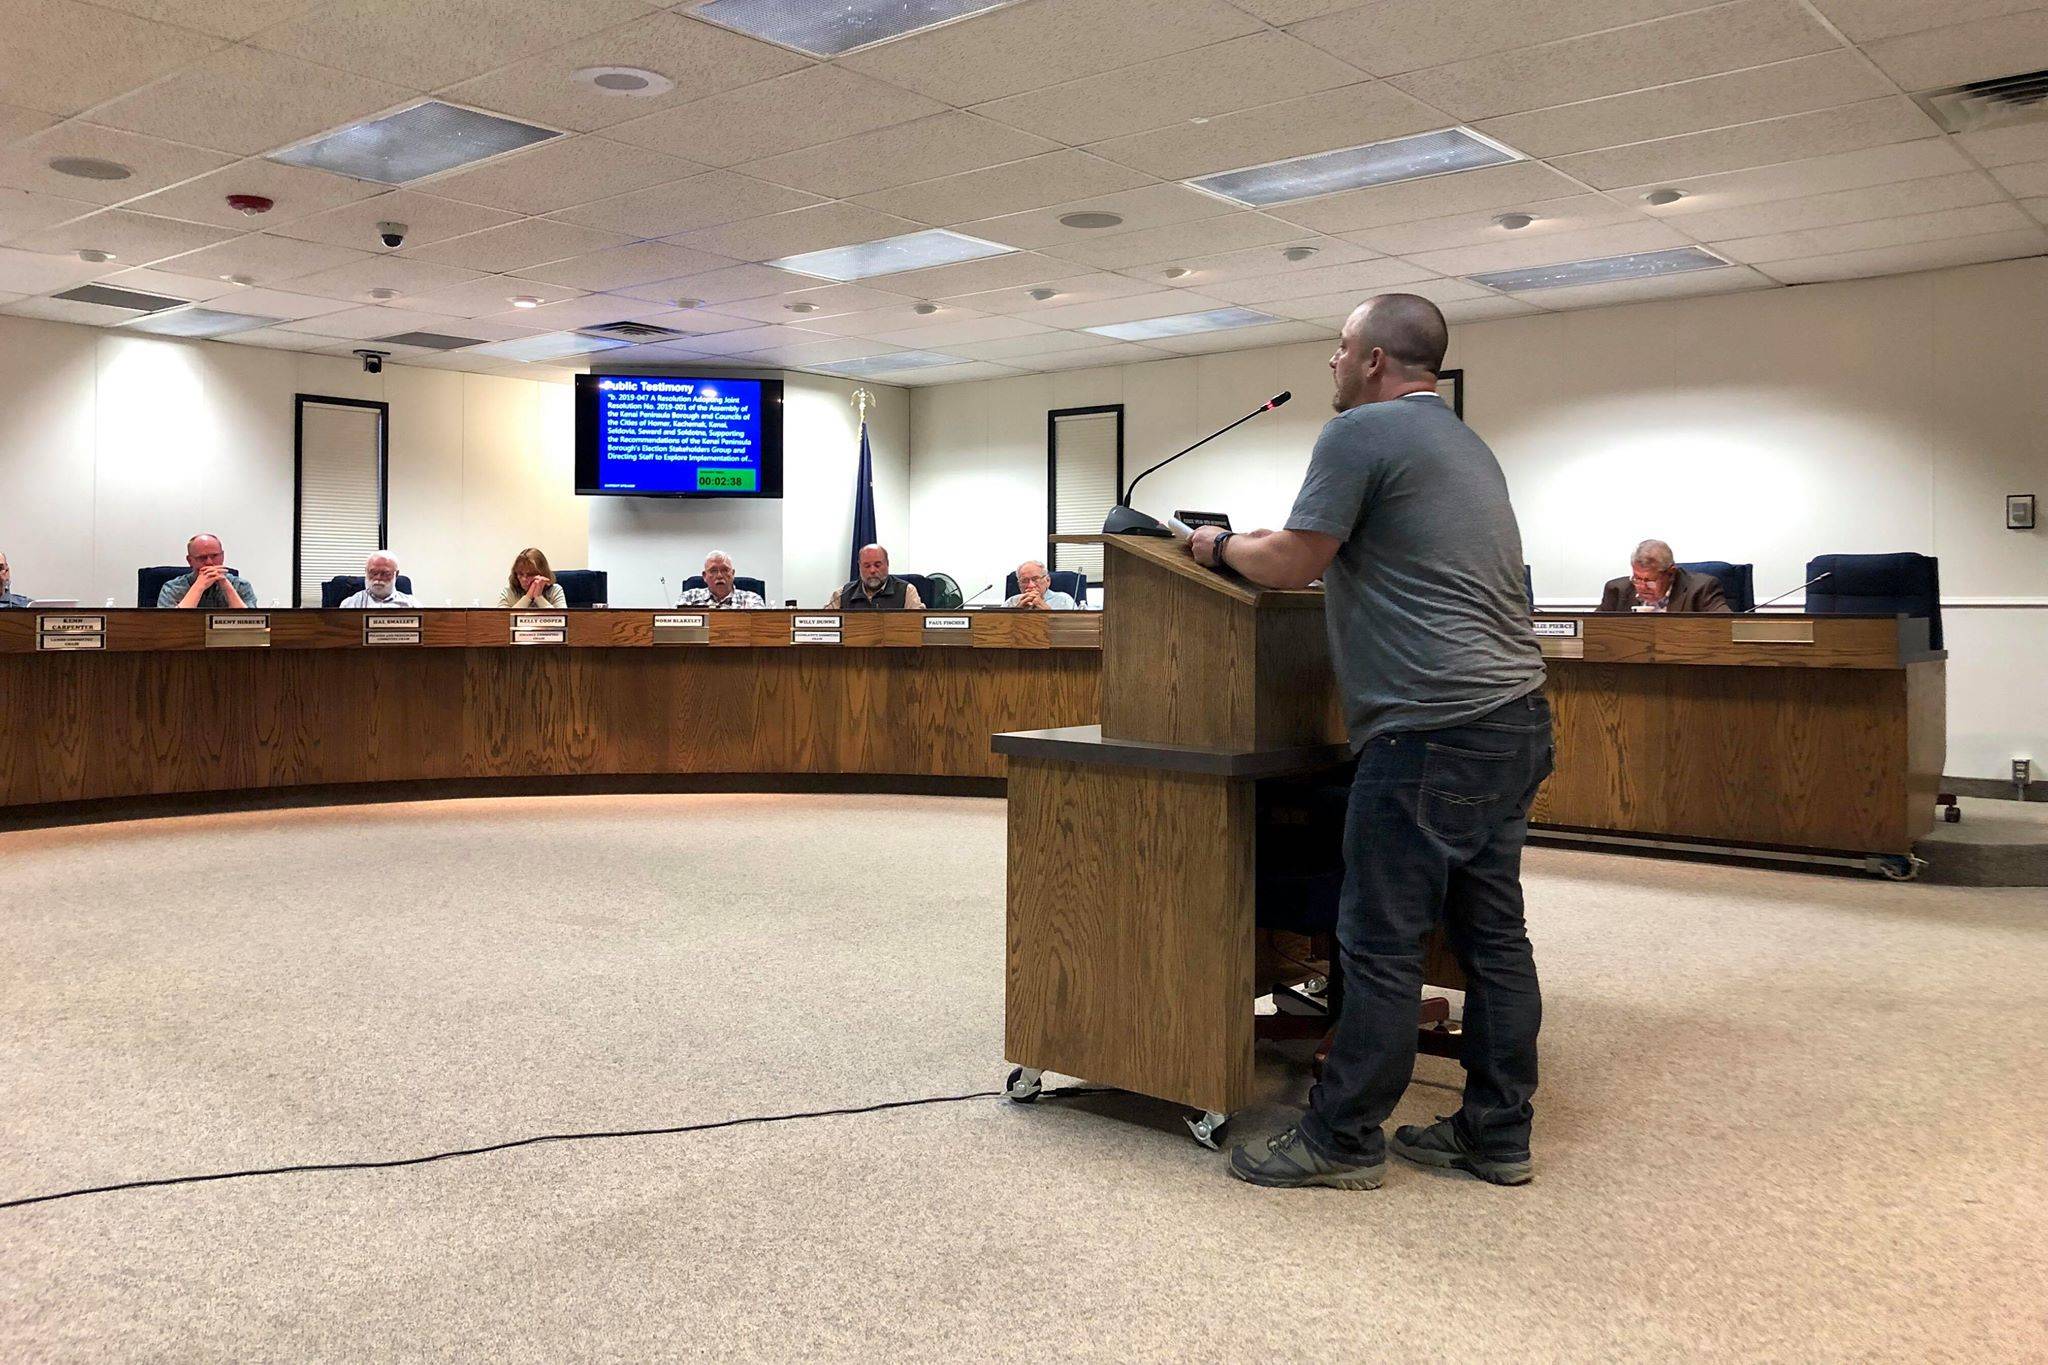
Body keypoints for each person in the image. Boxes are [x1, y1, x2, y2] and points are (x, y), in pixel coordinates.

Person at [1191, 293, 1552, 1192]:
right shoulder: (1466, 441)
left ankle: (1343, 1136)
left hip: (1431, 729)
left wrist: (1213, 544)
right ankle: (1497, 1132)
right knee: (1494, 939)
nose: (1332, 363)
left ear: (1379, 362)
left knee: (1379, 940)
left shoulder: (1360, 434)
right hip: (1515, 716)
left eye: (1341, 347)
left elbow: (1292, 561)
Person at [1596, 540, 1730, 612]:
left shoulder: (1701, 589)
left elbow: (1725, 626)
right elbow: (1591, 631)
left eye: (1650, 581)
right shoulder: (1617, 590)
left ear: (1671, 573)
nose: (1642, 587)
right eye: (1637, 579)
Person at [158, 534, 257, 610]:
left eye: (214, 556)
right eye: (202, 558)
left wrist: (226, 585)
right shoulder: (172, 588)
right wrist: (199, 586)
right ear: (190, 561)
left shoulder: (241, 585)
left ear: (222, 556)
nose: (209, 562)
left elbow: (250, 623)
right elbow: (169, 623)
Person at [825, 544, 924, 610]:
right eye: (867, 566)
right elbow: (825, 627)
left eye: (877, 565)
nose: (872, 570)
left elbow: (919, 626)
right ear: (859, 567)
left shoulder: (907, 591)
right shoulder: (842, 594)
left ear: (887, 564)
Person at [676, 550, 766, 609]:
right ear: (704, 576)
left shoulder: (752, 599)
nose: (719, 576)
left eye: (725, 570)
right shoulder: (688, 598)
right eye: (713, 571)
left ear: (733, 574)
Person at [338, 552, 416, 608]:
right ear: (366, 572)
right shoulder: (350, 604)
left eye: (385, 573)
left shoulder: (412, 604)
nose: (378, 578)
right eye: (373, 572)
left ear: (396, 574)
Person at [498, 547, 567, 609]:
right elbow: (502, 620)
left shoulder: (555, 590)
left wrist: (539, 597)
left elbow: (562, 620)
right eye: (520, 574)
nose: (524, 579)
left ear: (542, 574)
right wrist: (528, 596)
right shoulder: (508, 592)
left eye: (530, 574)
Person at [1003, 559, 1077, 610]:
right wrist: (1017, 612)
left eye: (1035, 579)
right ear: (1019, 585)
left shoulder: (1063, 600)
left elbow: (1073, 628)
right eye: (1024, 581)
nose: (1030, 585)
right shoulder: (1011, 602)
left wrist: (1047, 612)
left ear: (1047, 581)